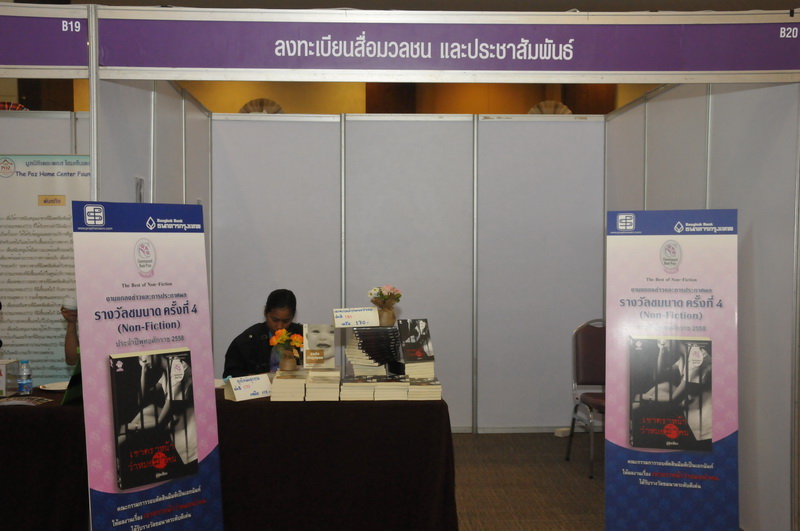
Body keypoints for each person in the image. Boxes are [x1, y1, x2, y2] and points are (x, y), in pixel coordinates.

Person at [223, 289, 303, 377]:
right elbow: (230, 375)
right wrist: (258, 379)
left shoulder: (303, 336)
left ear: (293, 316)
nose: (279, 326)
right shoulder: (247, 341)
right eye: (274, 320)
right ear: (265, 313)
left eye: (286, 321)